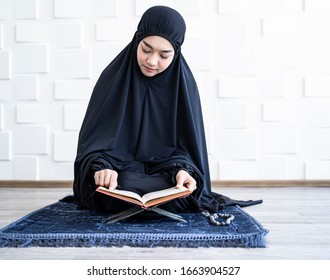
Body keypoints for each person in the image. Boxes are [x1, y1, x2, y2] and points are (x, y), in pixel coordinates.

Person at [73, 6, 261, 214]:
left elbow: (185, 148)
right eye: (146, 49)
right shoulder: (112, 80)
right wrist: (102, 168)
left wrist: (182, 172)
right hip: (119, 177)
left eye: (164, 55)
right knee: (108, 188)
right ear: (136, 41)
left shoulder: (184, 87)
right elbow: (94, 144)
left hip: (165, 177)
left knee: (183, 192)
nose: (152, 61)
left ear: (177, 52)